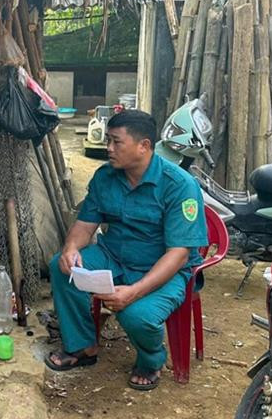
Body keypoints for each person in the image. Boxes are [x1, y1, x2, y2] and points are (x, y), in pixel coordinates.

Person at [44, 109, 207, 391]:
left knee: (136, 314)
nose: (108, 148)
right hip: (113, 257)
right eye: (108, 140)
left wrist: (135, 291)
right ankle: (83, 347)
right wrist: (71, 247)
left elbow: (178, 253)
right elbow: (85, 224)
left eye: (116, 142)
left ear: (144, 146)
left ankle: (152, 359)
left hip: (162, 269)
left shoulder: (179, 185)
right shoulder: (106, 177)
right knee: (62, 267)